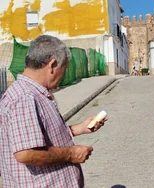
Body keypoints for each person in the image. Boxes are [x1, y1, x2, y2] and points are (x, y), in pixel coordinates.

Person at [0, 35, 107, 187]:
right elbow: (26, 153)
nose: (63, 75)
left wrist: (78, 129)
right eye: (64, 68)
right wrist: (72, 153)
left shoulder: (34, 93)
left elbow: (39, 136)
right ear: (52, 65)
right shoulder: (25, 97)